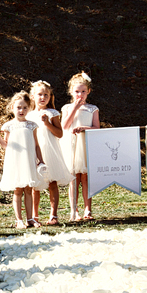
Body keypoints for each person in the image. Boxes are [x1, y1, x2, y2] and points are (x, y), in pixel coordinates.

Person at [0, 91, 47, 229]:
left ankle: (30, 218)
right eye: (18, 107)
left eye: (24, 107)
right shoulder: (8, 126)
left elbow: (36, 144)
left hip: (28, 160)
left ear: (28, 108)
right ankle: (19, 220)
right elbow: (6, 145)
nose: (21, 110)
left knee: (29, 189)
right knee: (18, 190)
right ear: (12, 108)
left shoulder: (32, 125)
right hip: (15, 161)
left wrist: (40, 160)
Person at [26, 80, 72, 226]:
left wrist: (47, 123)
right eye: (40, 94)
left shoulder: (52, 113)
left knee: (52, 183)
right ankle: (35, 215)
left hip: (50, 151)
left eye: (46, 95)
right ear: (33, 96)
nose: (43, 97)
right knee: (35, 185)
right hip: (35, 151)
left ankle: (53, 215)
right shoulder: (28, 114)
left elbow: (59, 133)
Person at [60, 72, 100, 222]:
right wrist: (75, 108)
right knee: (73, 177)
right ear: (71, 91)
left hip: (86, 145)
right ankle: (74, 209)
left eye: (83, 91)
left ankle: (87, 209)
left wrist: (84, 128)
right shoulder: (66, 108)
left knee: (86, 177)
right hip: (72, 145)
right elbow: (64, 125)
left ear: (88, 91)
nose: (80, 94)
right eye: (77, 91)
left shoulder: (92, 109)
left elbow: (97, 127)